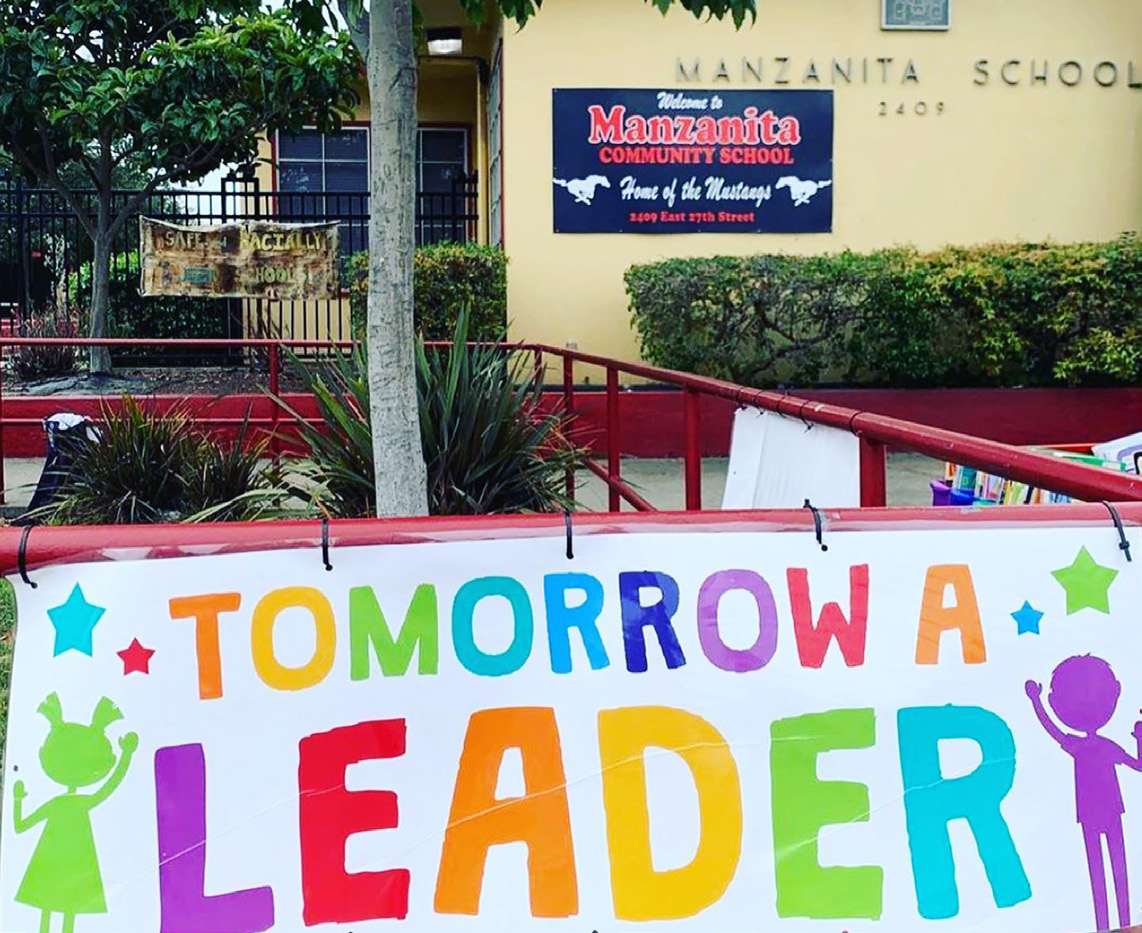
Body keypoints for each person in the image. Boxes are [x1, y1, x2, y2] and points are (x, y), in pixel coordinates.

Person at [1026, 656, 1142, 932]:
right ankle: (1104, 924)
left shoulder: (1098, 745)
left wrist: (1139, 738)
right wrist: (1035, 701)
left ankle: (1122, 921)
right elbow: (1052, 729)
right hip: (1093, 813)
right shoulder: (1078, 745)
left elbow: (1139, 766)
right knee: (1099, 870)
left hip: (1108, 810)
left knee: (1117, 868)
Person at [12, 693, 137, 933]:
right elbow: (19, 827)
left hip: (67, 863)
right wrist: (126, 756)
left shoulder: (69, 804)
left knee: (63, 908)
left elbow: (20, 825)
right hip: (57, 863)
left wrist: (127, 756)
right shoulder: (70, 803)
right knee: (58, 908)